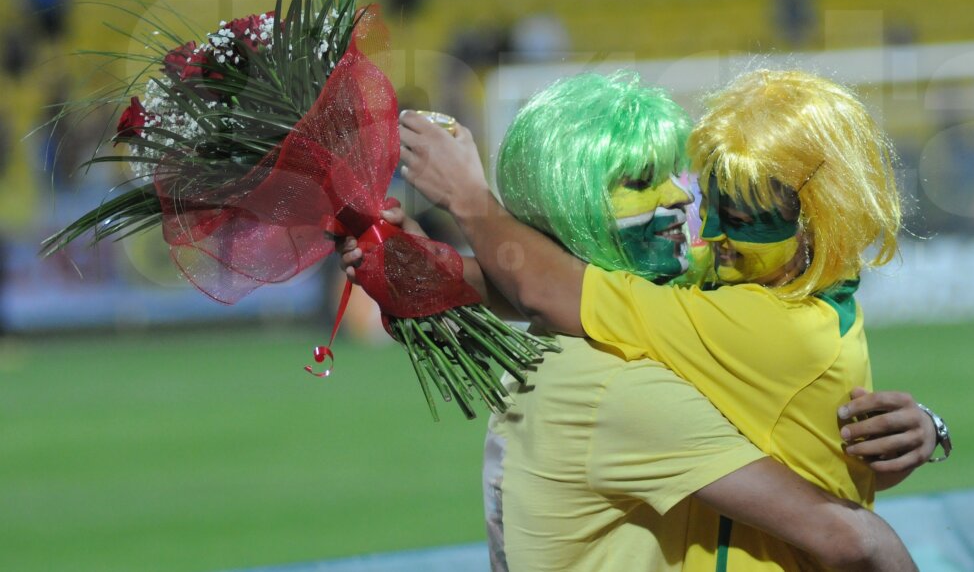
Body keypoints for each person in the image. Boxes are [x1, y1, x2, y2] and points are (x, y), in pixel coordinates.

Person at [351, 72, 944, 569]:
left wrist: (469, 200)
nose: (701, 224)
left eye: (736, 216)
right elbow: (541, 287)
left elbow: (547, 288)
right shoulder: (629, 369)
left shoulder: (727, 328)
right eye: (642, 182)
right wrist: (431, 265)